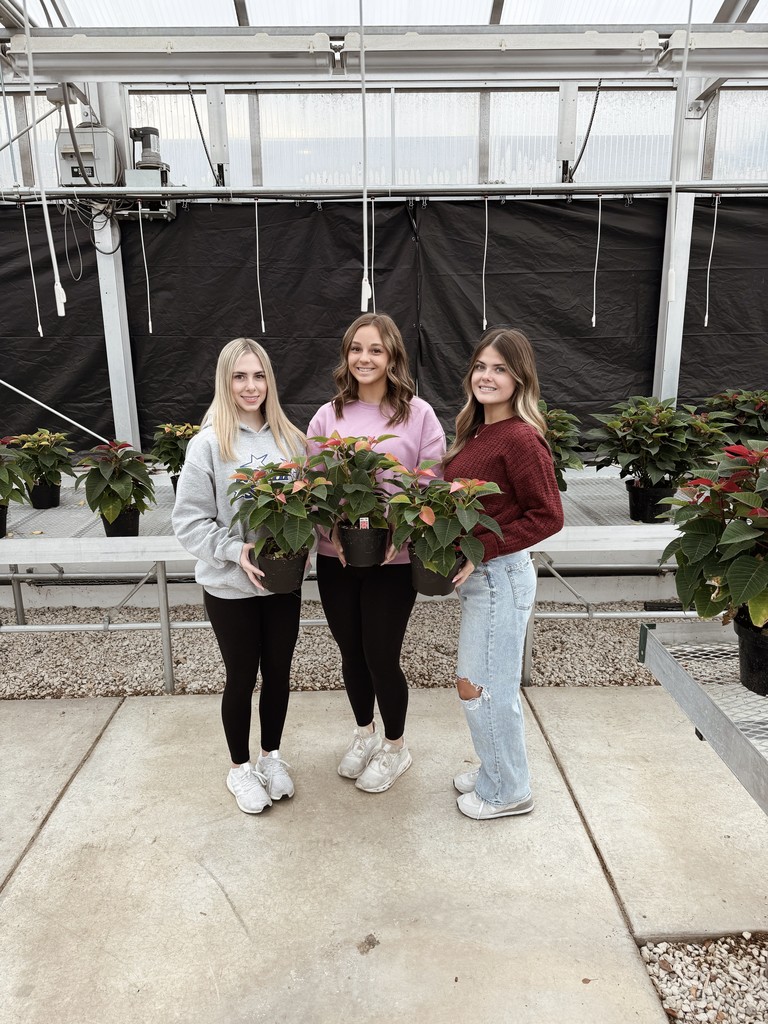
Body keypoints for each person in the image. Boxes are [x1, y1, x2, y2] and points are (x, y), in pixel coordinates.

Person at [307, 312, 445, 794]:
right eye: (356, 348)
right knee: (350, 651)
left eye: (376, 350)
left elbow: (430, 484)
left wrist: (401, 537)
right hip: (335, 556)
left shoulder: (418, 415)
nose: (365, 358)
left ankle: (395, 745)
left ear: (393, 359)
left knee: (381, 654)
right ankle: (363, 733)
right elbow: (314, 486)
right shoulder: (329, 415)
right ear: (346, 356)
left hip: (394, 559)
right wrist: (333, 532)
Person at [172, 337, 306, 815]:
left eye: (258, 375)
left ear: (269, 379)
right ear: (225, 382)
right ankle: (239, 768)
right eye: (239, 376)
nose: (250, 386)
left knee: (279, 673)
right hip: (229, 585)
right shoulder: (209, 443)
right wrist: (233, 550)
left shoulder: (292, 440)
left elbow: (308, 507)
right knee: (240, 676)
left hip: (281, 582)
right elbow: (188, 519)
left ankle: (271, 757)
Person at [444, 326, 564, 821]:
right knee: (480, 680)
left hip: (500, 577)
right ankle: (498, 770)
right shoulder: (480, 431)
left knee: (484, 686)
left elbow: (548, 514)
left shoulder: (518, 437)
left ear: (520, 379)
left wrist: (484, 547)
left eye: (500, 369)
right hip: (484, 578)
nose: (487, 376)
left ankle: (508, 791)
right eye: (481, 366)